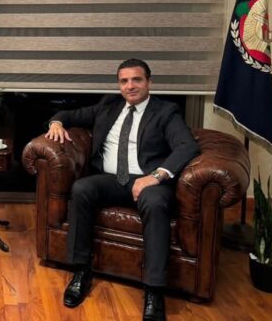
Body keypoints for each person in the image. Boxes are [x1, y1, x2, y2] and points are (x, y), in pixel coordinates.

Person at [45, 59, 199, 321]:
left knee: (155, 203)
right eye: (124, 81)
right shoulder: (109, 105)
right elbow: (70, 115)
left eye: (137, 79)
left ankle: (154, 291)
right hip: (111, 180)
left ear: (149, 82)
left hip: (148, 181)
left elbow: (187, 146)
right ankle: (81, 271)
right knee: (81, 189)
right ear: (119, 85)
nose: (130, 86)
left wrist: (156, 176)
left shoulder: (166, 111)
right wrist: (56, 123)